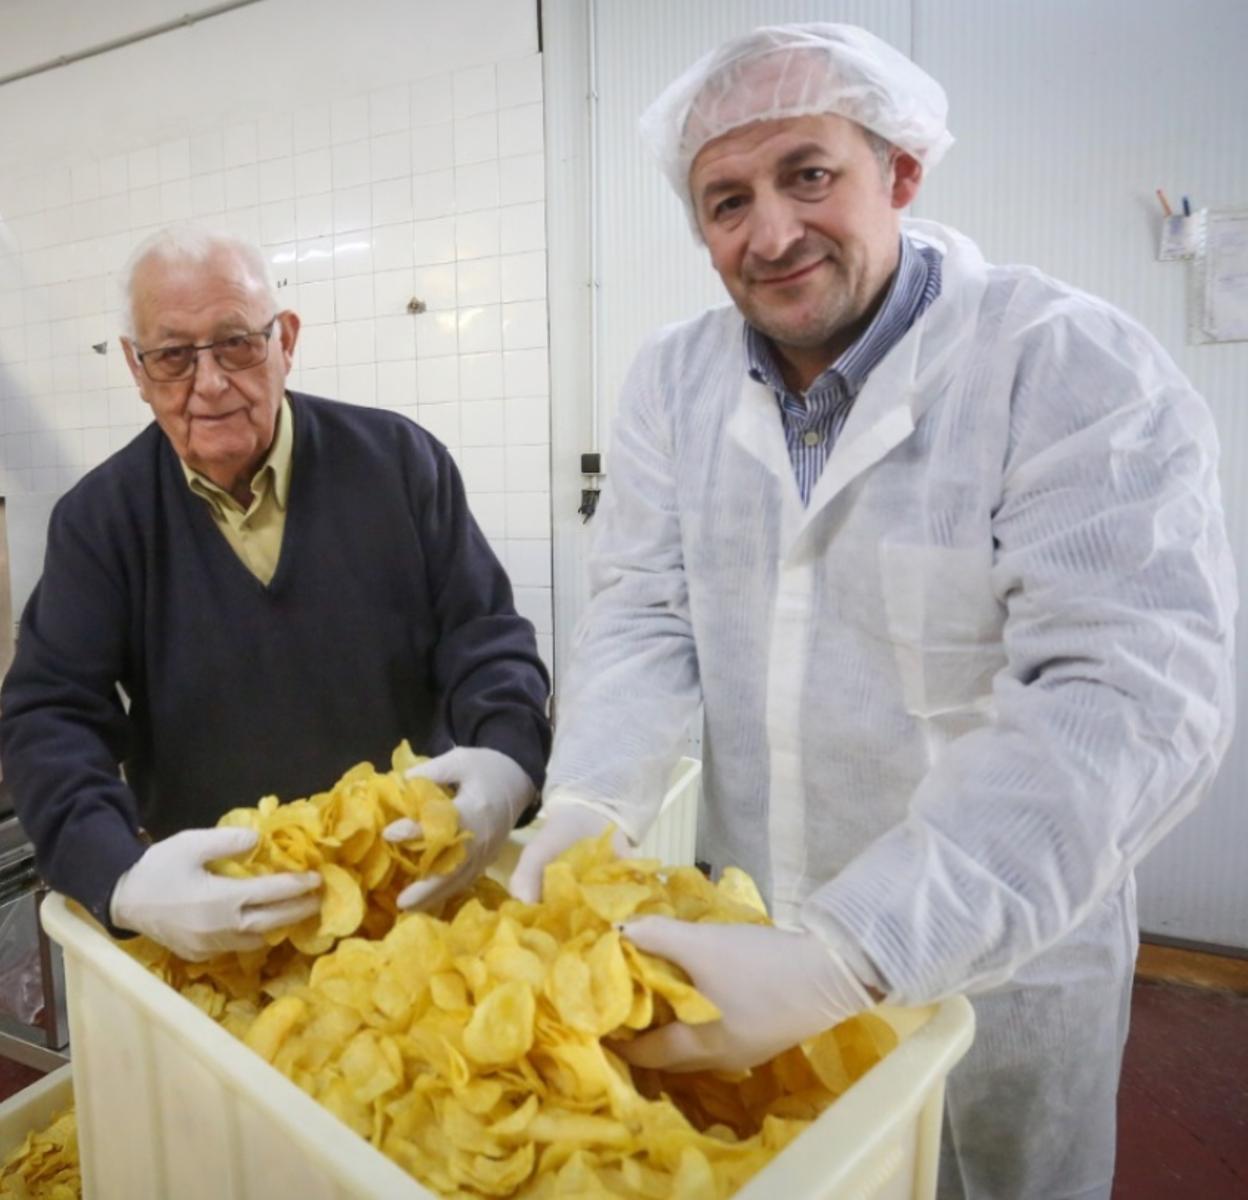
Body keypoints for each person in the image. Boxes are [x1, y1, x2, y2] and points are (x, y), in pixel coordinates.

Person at [509, 23, 1236, 1200]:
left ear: (899, 171)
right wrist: (592, 798)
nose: (772, 230)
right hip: (748, 941)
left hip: (1008, 966)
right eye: (727, 199)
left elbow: (1125, 702)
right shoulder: (674, 385)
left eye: (809, 173)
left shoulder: (1067, 368)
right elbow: (646, 612)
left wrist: (857, 950)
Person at [0, 227, 551, 962]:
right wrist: (120, 877)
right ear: (136, 368)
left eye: (236, 343)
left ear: (285, 340)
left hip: (413, 893)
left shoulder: (400, 464)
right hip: (220, 918)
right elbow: (50, 715)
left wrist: (510, 758)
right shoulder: (100, 521)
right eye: (171, 357)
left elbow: (485, 639)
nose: (210, 384)